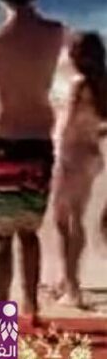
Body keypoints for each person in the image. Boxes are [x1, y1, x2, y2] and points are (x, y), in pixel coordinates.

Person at [0, 0, 66, 323]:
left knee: (1, 239)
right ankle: (32, 309)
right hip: (40, 140)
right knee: (30, 233)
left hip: (4, 140)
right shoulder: (56, 32)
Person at [51, 32, 107, 307]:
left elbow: (65, 126)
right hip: (91, 155)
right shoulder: (102, 85)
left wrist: (53, 151)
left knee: (62, 220)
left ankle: (72, 286)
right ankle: (69, 278)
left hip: (70, 156)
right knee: (76, 217)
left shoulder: (78, 85)